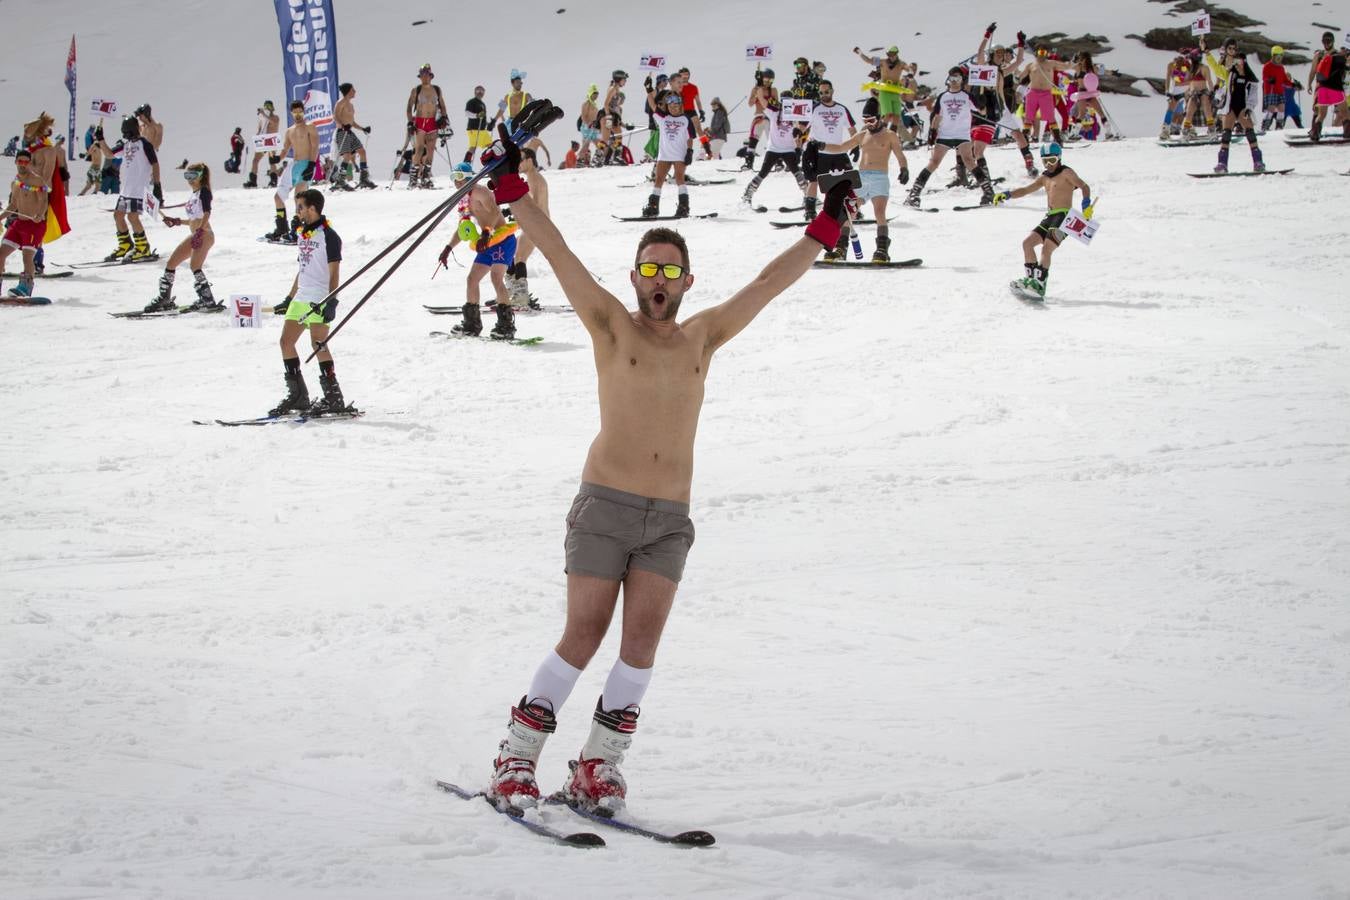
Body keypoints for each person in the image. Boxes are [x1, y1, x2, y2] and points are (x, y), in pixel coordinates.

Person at [474, 100, 858, 817]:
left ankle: (598, 767)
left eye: (671, 270)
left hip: (668, 520)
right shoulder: (611, 327)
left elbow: (769, 285)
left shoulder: (703, 338)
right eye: (649, 267)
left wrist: (827, 222)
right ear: (634, 277)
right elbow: (558, 254)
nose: (659, 278)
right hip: (606, 507)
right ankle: (515, 760)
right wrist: (509, 189)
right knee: (584, 636)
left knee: (639, 649)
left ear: (687, 282)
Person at [271, 189, 350, 417]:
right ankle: (298, 396)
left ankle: (333, 397)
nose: (298, 212)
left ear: (313, 208)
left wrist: (331, 300)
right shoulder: (302, 234)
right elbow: (302, 268)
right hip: (302, 296)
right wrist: (289, 298)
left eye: (301, 208)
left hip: (319, 296)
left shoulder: (329, 236)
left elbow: (334, 271)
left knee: (318, 344)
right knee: (286, 342)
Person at [992, 142, 1092, 299]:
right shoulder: (1045, 177)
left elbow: (1084, 186)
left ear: (1059, 158)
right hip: (1050, 216)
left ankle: (1040, 284)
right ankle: (1031, 281)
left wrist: (1086, 205)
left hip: (1064, 216)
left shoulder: (1066, 172)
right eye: (1045, 161)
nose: (1049, 164)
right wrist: (1008, 194)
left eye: (1052, 160)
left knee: (1047, 248)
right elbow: (1026, 190)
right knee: (1027, 244)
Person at [437, 166, 520, 340]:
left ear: (469, 178)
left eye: (460, 178)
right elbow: (464, 229)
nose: (457, 183)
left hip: (502, 241)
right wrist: (448, 248)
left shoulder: (480, 192)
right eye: (454, 179)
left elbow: (495, 211)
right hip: (487, 242)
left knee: (496, 278)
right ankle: (472, 324)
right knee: (472, 279)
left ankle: (506, 326)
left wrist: (487, 231)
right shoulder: (464, 200)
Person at [822, 97, 908, 262]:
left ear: (880, 117)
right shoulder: (862, 135)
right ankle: (841, 249)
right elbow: (841, 147)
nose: (869, 123)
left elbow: (900, 155)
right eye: (865, 120)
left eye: (872, 119)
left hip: (879, 178)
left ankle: (882, 250)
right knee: (848, 211)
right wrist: (822, 145)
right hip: (861, 177)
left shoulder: (890, 135)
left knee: (879, 212)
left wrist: (904, 168)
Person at [905, 68, 992, 210]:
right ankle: (914, 194)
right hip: (945, 135)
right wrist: (933, 132)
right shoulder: (943, 96)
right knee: (933, 163)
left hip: (962, 135)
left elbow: (982, 111)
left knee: (969, 161)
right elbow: (938, 116)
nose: (954, 81)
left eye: (957, 79)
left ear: (962, 81)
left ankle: (988, 192)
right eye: (952, 78)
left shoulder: (967, 96)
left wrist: (982, 103)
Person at [143, 163, 219, 313]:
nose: (190, 180)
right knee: (171, 263)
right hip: (196, 233)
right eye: (187, 176)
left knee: (195, 266)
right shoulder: (194, 194)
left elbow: (206, 213)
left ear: (201, 176)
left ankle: (207, 300)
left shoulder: (204, 192)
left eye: (193, 176)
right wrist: (177, 221)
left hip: (204, 234)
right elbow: (193, 220)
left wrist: (200, 230)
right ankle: (165, 299)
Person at [98, 116, 161, 262]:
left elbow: (155, 164)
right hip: (125, 190)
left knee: (133, 217)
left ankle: (143, 247)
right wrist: (101, 139)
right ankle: (126, 244)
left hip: (138, 189)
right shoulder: (125, 145)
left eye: (127, 131)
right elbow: (109, 154)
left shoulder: (145, 144)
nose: (125, 135)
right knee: (118, 215)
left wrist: (157, 185)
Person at [1203, 36, 1265, 173]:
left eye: (1234, 48)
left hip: (1242, 105)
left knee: (1250, 133)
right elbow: (1217, 70)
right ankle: (1222, 164)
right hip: (1230, 106)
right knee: (1226, 135)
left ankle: (1258, 162)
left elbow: (1254, 86)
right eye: (1230, 48)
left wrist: (1250, 106)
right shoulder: (1227, 70)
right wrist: (1207, 52)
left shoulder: (1242, 66)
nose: (1232, 51)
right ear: (1226, 50)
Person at [801, 80, 857, 222]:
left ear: (832, 91)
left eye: (826, 92)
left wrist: (855, 145)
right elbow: (803, 126)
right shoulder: (815, 109)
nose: (823, 95)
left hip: (839, 150)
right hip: (819, 152)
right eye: (820, 92)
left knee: (847, 181)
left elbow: (852, 129)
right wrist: (797, 131)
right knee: (814, 181)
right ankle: (810, 211)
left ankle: (852, 209)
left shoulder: (842, 109)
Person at [739, 97, 810, 208]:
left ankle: (808, 196)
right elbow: (763, 102)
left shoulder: (796, 115)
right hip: (773, 149)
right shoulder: (774, 112)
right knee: (763, 172)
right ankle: (748, 195)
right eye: (785, 103)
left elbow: (802, 129)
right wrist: (760, 87)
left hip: (789, 150)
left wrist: (798, 149)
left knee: (797, 172)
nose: (787, 106)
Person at [0, 149, 51, 298]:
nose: (22, 165)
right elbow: (13, 205)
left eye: (25, 162)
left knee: (27, 257)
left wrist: (40, 214)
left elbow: (44, 201)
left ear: (29, 163)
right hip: (18, 224)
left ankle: (26, 287)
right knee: (1, 253)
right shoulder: (15, 182)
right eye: (20, 161)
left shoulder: (37, 180)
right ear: (16, 162)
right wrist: (1, 217)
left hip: (34, 225)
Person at [266, 101, 319, 242]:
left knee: (299, 198)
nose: (297, 115)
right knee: (278, 197)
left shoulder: (310, 127)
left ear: (304, 111)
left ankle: (297, 230)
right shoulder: (289, 131)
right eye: (295, 112)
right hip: (293, 166)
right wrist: (277, 158)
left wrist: (312, 165)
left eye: (300, 112)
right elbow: (285, 149)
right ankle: (282, 227)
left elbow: (315, 146)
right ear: (291, 113)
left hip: (306, 164)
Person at [641, 88, 696, 219]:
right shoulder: (663, 117)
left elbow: (690, 138)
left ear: (680, 105)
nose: (673, 108)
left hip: (679, 155)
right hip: (664, 155)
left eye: (675, 105)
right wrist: (649, 90)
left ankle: (684, 207)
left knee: (679, 179)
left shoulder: (685, 120)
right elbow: (653, 105)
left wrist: (689, 151)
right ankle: (653, 207)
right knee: (658, 180)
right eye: (670, 106)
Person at [505, 148, 548, 308]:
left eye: (521, 160)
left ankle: (520, 296)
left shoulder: (535, 179)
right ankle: (512, 293)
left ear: (530, 160)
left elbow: (536, 206)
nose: (519, 164)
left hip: (538, 225)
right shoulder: (532, 178)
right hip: (535, 224)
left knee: (519, 257)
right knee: (514, 256)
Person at [406, 64, 449, 189]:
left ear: (430, 76)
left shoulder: (437, 89)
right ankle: (413, 178)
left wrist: (444, 117)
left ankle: (426, 177)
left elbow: (442, 105)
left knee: (430, 150)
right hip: (420, 122)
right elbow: (409, 108)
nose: (424, 77)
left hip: (432, 122)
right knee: (419, 149)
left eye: (426, 75)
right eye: (422, 75)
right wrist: (410, 122)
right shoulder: (416, 90)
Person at [1019, 45, 1073, 144]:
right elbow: (1021, 76)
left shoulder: (1051, 63)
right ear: (1036, 53)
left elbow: (1065, 66)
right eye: (1040, 52)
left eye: (1044, 52)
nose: (1042, 55)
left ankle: (1058, 139)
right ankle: (1024, 139)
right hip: (1033, 93)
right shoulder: (1031, 65)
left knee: (1050, 117)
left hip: (1046, 94)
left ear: (1047, 54)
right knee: (1029, 117)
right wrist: (1016, 76)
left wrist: (1071, 62)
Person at [853, 44, 909, 134]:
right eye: (889, 55)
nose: (891, 57)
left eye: (893, 55)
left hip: (894, 92)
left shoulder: (901, 64)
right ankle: (881, 133)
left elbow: (908, 68)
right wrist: (860, 53)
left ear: (896, 54)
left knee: (896, 117)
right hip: (884, 93)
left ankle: (891, 135)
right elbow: (869, 60)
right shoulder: (882, 62)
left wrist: (909, 74)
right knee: (887, 115)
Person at [332, 83, 376, 189]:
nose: (355, 91)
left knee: (362, 152)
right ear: (348, 91)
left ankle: (364, 178)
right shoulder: (340, 103)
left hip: (349, 131)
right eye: (353, 90)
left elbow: (351, 122)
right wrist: (342, 126)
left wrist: (363, 129)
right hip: (342, 132)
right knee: (347, 156)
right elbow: (335, 117)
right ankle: (340, 181)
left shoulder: (350, 105)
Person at [1069, 52, 1120, 139]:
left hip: (1083, 93)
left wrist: (1074, 59)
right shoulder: (1092, 68)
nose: (1081, 60)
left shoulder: (1079, 67)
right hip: (1090, 93)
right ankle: (1109, 133)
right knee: (1100, 113)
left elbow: (1070, 65)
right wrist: (1113, 73)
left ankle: (1074, 134)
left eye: (1081, 58)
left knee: (1082, 114)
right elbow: (1104, 71)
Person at [1308, 33, 1348, 141]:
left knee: (1321, 114)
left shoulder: (1319, 55)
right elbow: (1345, 71)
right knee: (1345, 112)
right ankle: (1348, 133)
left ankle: (1315, 133)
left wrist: (1309, 84)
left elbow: (1313, 72)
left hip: (1321, 87)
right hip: (1335, 88)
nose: (1326, 43)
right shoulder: (1339, 56)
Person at [738, 67, 778, 170]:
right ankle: (749, 163)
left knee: (774, 140)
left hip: (770, 118)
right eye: (766, 80)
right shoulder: (755, 89)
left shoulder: (773, 90)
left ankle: (778, 162)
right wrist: (757, 93)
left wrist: (764, 96)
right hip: (758, 117)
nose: (768, 82)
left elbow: (776, 105)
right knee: (753, 140)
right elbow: (750, 104)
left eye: (770, 80)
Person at [595, 70, 629, 167]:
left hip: (613, 116)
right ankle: (597, 158)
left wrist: (625, 125)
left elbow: (616, 109)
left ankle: (616, 157)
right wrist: (608, 117)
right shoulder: (613, 89)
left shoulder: (617, 89)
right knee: (605, 138)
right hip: (607, 115)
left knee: (619, 136)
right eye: (624, 79)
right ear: (619, 79)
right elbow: (606, 104)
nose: (625, 81)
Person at [1180, 50, 1216, 138]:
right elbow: (1184, 80)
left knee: (1207, 109)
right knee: (1189, 111)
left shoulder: (1204, 68)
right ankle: (1186, 132)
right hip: (1193, 93)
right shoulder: (1190, 68)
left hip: (1203, 91)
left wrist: (1212, 92)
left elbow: (1209, 81)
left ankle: (1212, 130)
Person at [1161, 51, 1192, 139]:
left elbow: (1190, 80)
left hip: (1183, 90)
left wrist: (1180, 84)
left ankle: (1188, 129)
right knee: (1172, 110)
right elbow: (1168, 78)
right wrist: (1167, 90)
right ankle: (1165, 130)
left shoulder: (1188, 66)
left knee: (1187, 110)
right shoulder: (1171, 65)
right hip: (1177, 91)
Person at [1262, 47, 1294, 131]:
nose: (1279, 58)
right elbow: (1264, 77)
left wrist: (1293, 85)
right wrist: (1269, 79)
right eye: (1277, 56)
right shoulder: (1267, 66)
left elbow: (1285, 80)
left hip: (1280, 91)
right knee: (1271, 109)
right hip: (1270, 91)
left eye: (1280, 56)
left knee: (1281, 108)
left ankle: (1279, 125)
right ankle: (1265, 125)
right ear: (1273, 56)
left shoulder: (1281, 67)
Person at [464, 85, 491, 164]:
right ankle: (466, 164)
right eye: (478, 91)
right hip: (474, 129)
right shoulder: (471, 102)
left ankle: (489, 164)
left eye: (482, 91)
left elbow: (482, 118)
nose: (480, 92)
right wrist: (477, 115)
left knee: (490, 145)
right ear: (475, 92)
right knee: (473, 147)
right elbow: (467, 113)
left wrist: (488, 124)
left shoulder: (482, 104)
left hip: (482, 130)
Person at [578, 85, 601, 165]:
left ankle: (597, 159)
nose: (596, 95)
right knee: (586, 146)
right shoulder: (586, 104)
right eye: (594, 93)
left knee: (599, 144)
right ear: (590, 93)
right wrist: (588, 124)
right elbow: (583, 116)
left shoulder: (594, 104)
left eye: (597, 94)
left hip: (594, 128)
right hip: (587, 127)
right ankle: (579, 161)